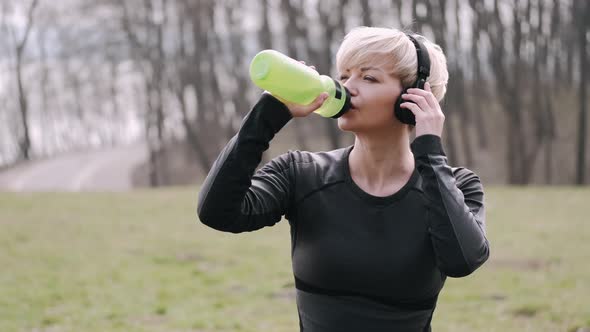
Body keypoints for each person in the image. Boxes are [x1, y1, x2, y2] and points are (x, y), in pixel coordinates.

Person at [197, 26, 490, 332]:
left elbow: (463, 261)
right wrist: (267, 114)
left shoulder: (456, 186)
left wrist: (430, 151)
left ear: (413, 97)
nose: (348, 87)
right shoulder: (302, 174)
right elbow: (217, 212)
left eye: (369, 77)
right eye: (345, 75)